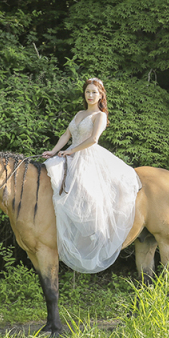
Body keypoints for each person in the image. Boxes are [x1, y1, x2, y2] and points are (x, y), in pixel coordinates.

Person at [42, 78, 140, 273]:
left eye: (94, 92)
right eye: (88, 91)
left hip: (88, 155)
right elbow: (66, 136)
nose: (90, 95)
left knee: (87, 190)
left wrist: (72, 151)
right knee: (52, 178)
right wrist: (53, 151)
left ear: (101, 95)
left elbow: (94, 139)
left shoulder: (100, 116)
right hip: (71, 152)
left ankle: (98, 230)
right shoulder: (80, 113)